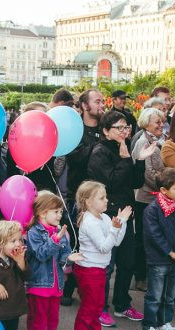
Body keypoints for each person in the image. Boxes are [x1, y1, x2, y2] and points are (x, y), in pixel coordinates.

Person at [88, 111, 155, 326]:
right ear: (106, 130)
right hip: (108, 214)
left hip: (127, 212)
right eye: (119, 128)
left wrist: (140, 161)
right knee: (107, 264)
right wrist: (126, 161)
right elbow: (111, 183)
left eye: (127, 127)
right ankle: (99, 307)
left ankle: (122, 304)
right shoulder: (99, 152)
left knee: (127, 262)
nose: (125, 131)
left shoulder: (123, 148)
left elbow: (135, 182)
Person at [71, 181, 131, 330]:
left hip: (99, 270)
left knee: (97, 306)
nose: (106, 201)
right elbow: (105, 247)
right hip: (88, 271)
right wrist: (115, 228)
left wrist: (122, 222)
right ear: (88, 201)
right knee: (89, 307)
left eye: (106, 197)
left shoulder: (104, 218)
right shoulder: (89, 222)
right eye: (102, 198)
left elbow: (116, 242)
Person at [25, 191, 81, 330]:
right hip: (39, 287)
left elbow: (63, 255)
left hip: (56, 287)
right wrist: (55, 239)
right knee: (39, 323)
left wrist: (69, 258)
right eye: (56, 211)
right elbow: (40, 255)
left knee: (52, 321)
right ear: (42, 213)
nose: (60, 215)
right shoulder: (34, 232)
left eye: (60, 212)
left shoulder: (60, 231)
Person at [62, 89, 104, 306]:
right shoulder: (75, 128)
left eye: (102, 101)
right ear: (85, 106)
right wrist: (99, 147)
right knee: (77, 241)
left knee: (96, 244)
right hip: (78, 195)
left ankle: (88, 288)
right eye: (97, 101)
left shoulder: (106, 127)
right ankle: (68, 288)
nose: (102, 105)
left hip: (102, 195)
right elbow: (76, 157)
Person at [141, 168, 175, 330]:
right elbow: (154, 236)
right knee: (154, 295)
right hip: (158, 260)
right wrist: (170, 252)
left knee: (169, 296)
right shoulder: (152, 210)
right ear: (164, 190)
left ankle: (164, 322)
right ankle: (148, 327)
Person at [132, 108, 166, 291]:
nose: (161, 124)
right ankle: (140, 277)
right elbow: (147, 173)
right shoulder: (144, 141)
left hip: (154, 196)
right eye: (157, 122)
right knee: (143, 237)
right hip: (145, 197)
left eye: (162, 121)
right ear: (146, 124)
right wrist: (165, 185)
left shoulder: (158, 140)